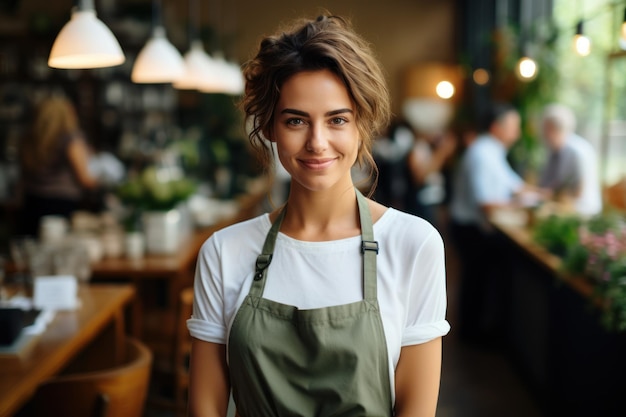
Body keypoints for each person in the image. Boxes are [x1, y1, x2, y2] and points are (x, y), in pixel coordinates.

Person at [187, 14, 450, 417]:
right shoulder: (224, 252)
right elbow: (204, 408)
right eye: (295, 120)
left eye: (337, 120)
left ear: (361, 125)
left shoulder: (413, 244)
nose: (317, 142)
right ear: (270, 127)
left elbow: (416, 408)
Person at [449, 103, 537, 343]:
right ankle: (472, 335)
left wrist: (544, 193)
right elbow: (486, 203)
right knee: (476, 282)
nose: (517, 133)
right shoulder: (482, 153)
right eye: (513, 127)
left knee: (478, 280)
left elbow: (514, 185)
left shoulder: (492, 151)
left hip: (474, 226)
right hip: (470, 228)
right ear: (497, 127)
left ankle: (476, 331)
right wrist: (523, 204)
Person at [17, 96, 99, 237]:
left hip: (32, 200)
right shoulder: (70, 138)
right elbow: (85, 178)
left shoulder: (29, 139)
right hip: (61, 203)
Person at [538, 103, 602, 216]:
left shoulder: (576, 152)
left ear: (553, 129)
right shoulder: (553, 150)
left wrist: (551, 197)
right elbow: (545, 185)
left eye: (545, 129)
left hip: (581, 212)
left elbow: (577, 192)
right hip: (562, 207)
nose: (543, 133)